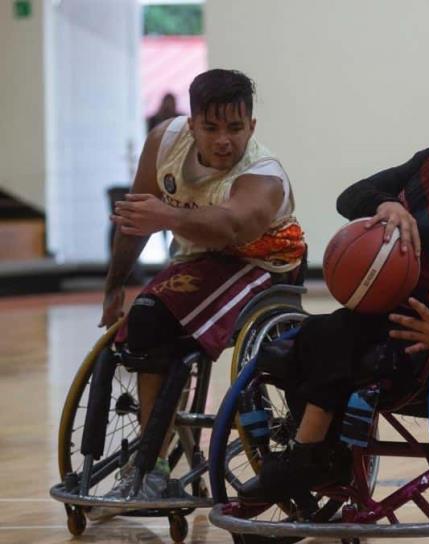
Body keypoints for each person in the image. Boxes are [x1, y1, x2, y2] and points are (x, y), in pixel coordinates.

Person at [241, 67, 429, 513]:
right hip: (378, 322)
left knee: (335, 337)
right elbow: (351, 197)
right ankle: (325, 459)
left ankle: (304, 458)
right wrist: (385, 204)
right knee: (300, 341)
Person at [94, 69, 306, 515]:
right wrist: (115, 284)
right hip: (196, 260)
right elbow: (138, 218)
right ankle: (149, 465)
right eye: (211, 128)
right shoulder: (163, 143)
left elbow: (231, 225)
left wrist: (165, 217)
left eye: (235, 127)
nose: (224, 140)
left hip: (261, 264)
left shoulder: (263, 176)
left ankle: (149, 464)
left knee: (162, 317)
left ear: (252, 126)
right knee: (145, 320)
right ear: (191, 126)